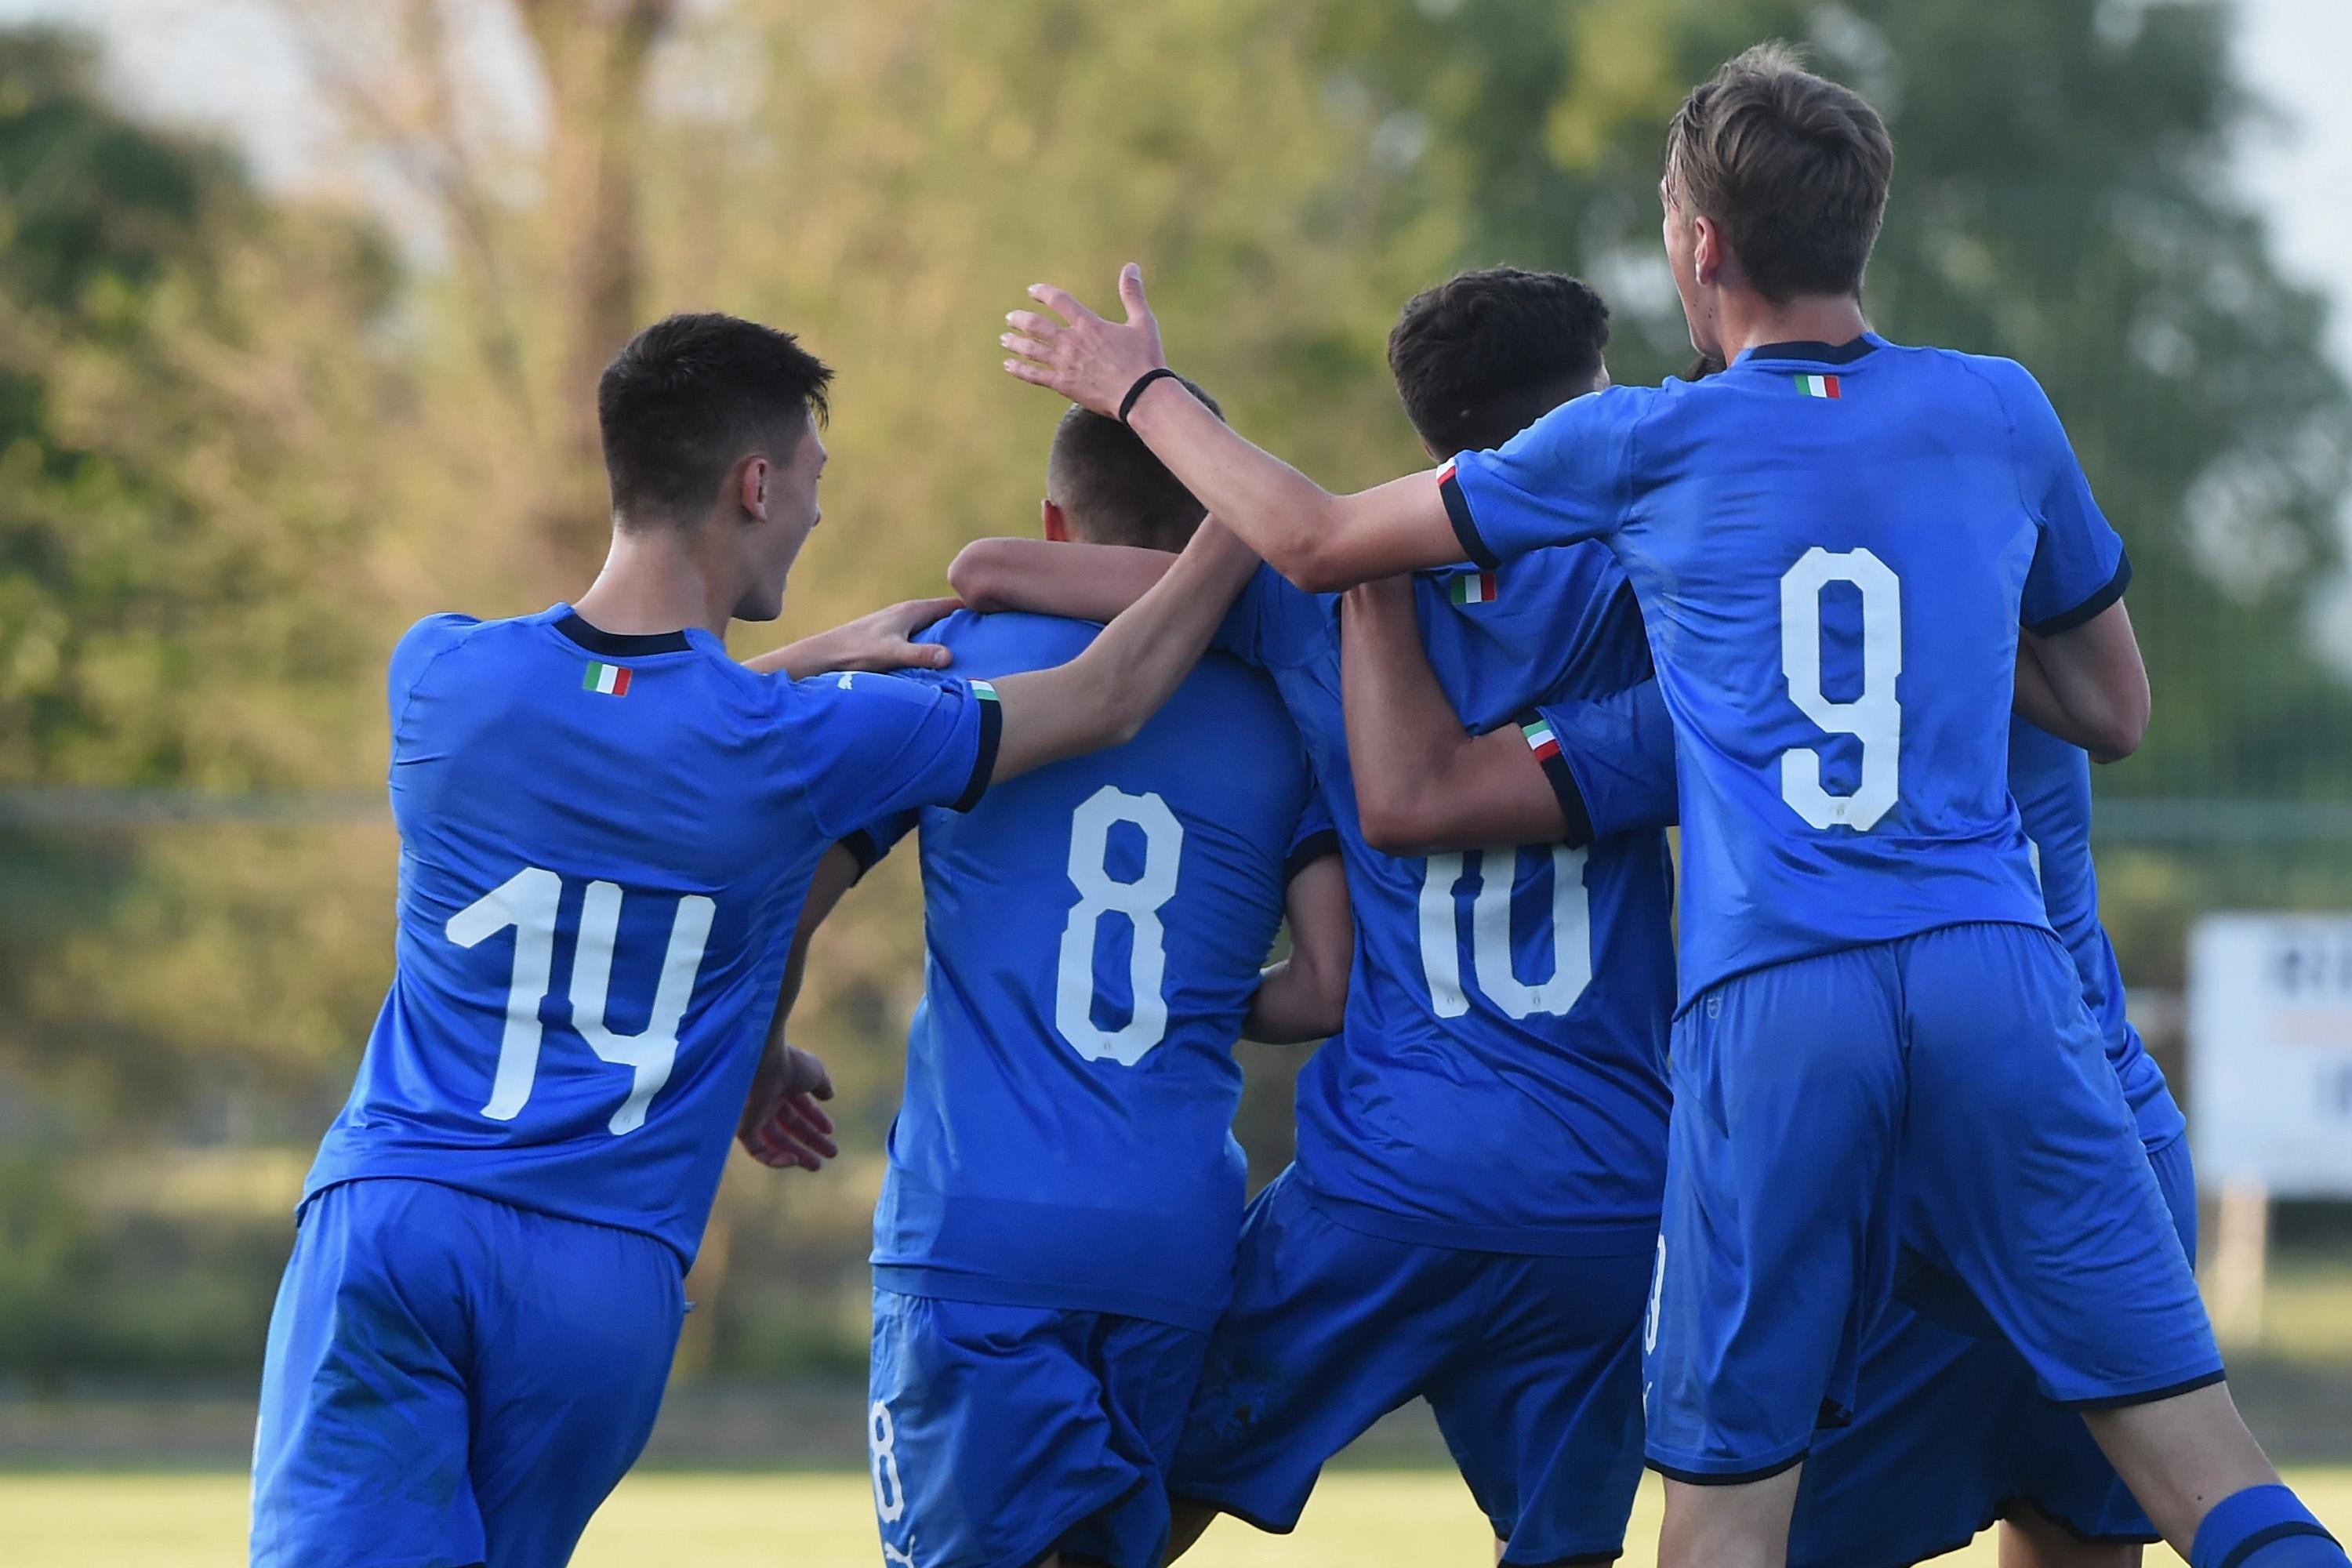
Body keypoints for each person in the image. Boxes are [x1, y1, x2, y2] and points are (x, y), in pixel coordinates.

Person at [993, 44, 2345, 1568]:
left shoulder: (1643, 442)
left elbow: (1308, 543)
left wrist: (1138, 388)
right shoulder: (2000, 411)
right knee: (2205, 1476)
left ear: (1699, 245)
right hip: (2004, 984)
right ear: (1864, 224)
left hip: (1783, 1011)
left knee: (1721, 1528)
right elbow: (2115, 708)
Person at [249, 310, 1271, 1568]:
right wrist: (1255, 506)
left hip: (394, 1219)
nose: (819, 518)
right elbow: (1112, 694)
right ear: (755, 484)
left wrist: (789, 666)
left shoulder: (439, 677)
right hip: (600, 1279)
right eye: (814, 482)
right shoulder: (811, 744)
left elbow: (612, 710)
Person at [1334, 360, 2203, 1568]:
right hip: (2101, 1128)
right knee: (2118, 1521)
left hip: (1896, 1155)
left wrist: (1371, 580)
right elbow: (2117, 707)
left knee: (1747, 1532)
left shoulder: (1720, 699)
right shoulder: (2002, 637)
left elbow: (1421, 789)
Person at [956, 267, 1677, 1566]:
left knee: (1132, 1504)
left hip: (1388, 1188)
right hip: (1608, 1201)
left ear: (1429, 438)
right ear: (1584, 413)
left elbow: (1002, 568)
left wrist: (1271, 510)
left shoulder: (1312, 606)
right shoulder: (1649, 607)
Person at [753, 383, 1352, 1568]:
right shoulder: (1292, 702)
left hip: (981, 1231)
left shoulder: (955, 656)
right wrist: (1190, 998)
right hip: (1174, 1232)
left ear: (1054, 523)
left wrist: (759, 1061)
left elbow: (792, 894)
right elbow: (1328, 986)